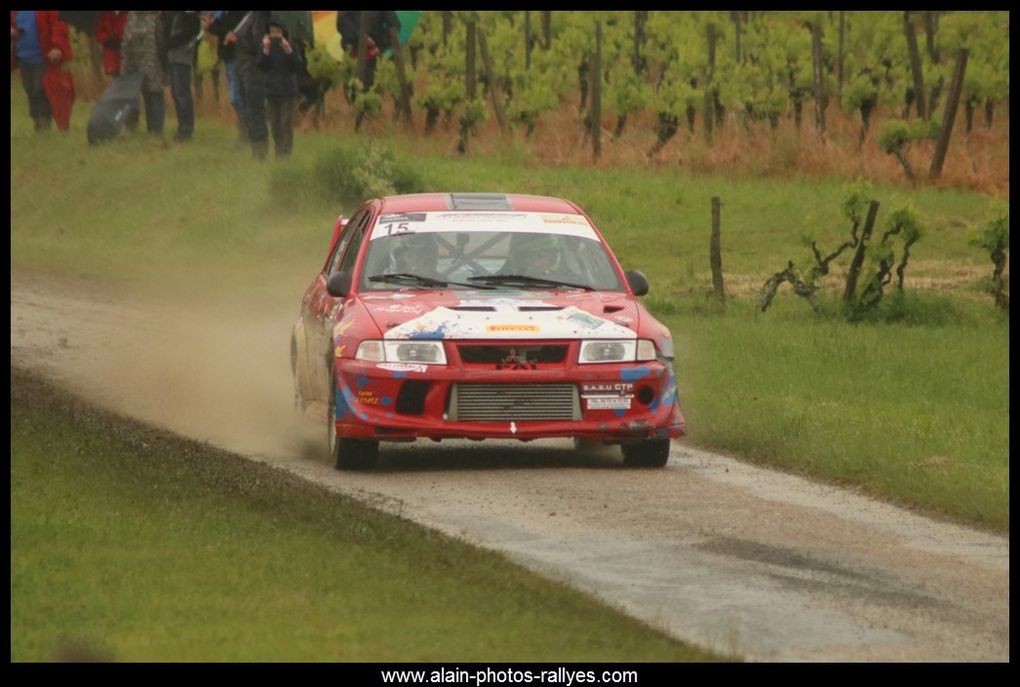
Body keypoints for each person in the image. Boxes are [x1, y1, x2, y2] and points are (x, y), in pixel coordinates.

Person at [10, 10, 73, 132]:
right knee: (30, 90)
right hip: (23, 57)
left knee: (41, 90)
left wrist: (57, 47)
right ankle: (37, 122)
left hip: (43, 57)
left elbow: (59, 26)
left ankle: (44, 125)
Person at [205, 11, 251, 147]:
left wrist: (231, 35)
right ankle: (245, 133)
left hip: (240, 58)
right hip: (229, 59)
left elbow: (242, 32)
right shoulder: (223, 15)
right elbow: (217, 29)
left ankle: (248, 131)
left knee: (237, 97)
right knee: (236, 98)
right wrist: (211, 26)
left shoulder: (242, 15)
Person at [258, 16, 302, 158]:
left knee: (285, 122)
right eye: (272, 32)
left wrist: (288, 50)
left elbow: (297, 66)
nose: (275, 35)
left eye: (278, 31)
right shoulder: (266, 47)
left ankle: (286, 153)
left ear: (283, 32)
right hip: (271, 91)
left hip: (288, 91)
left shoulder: (292, 46)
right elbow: (261, 66)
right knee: (275, 124)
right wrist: (265, 49)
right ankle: (279, 149)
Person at [120, 11, 166, 136]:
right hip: (152, 65)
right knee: (155, 96)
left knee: (144, 97)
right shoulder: (154, 21)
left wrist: (126, 68)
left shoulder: (130, 21)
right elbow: (161, 42)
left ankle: (137, 129)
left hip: (135, 67)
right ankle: (156, 129)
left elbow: (125, 46)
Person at [235, 11, 272, 160]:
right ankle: (255, 146)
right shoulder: (250, 16)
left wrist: (238, 40)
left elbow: (257, 44)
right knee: (250, 110)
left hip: (254, 71)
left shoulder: (260, 16)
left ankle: (260, 150)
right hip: (245, 69)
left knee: (255, 110)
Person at [336, 11, 400, 92]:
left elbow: (394, 26)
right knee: (355, 91)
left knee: (370, 89)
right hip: (353, 53)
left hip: (373, 54)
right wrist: (361, 36)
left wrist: (380, 46)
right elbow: (341, 23)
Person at [163, 11, 201, 142]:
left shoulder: (189, 14)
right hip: (172, 54)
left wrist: (170, 42)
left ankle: (187, 129)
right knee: (175, 93)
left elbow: (191, 30)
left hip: (182, 54)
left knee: (182, 93)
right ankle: (182, 126)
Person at [500, 233, 583, 283]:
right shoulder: (500, 280)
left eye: (540, 256)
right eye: (528, 256)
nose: (534, 262)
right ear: (518, 258)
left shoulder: (570, 283)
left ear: (552, 259)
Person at [94, 11, 127, 77]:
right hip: (112, 56)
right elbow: (97, 31)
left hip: (129, 53)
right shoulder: (102, 14)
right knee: (118, 82)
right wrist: (107, 40)